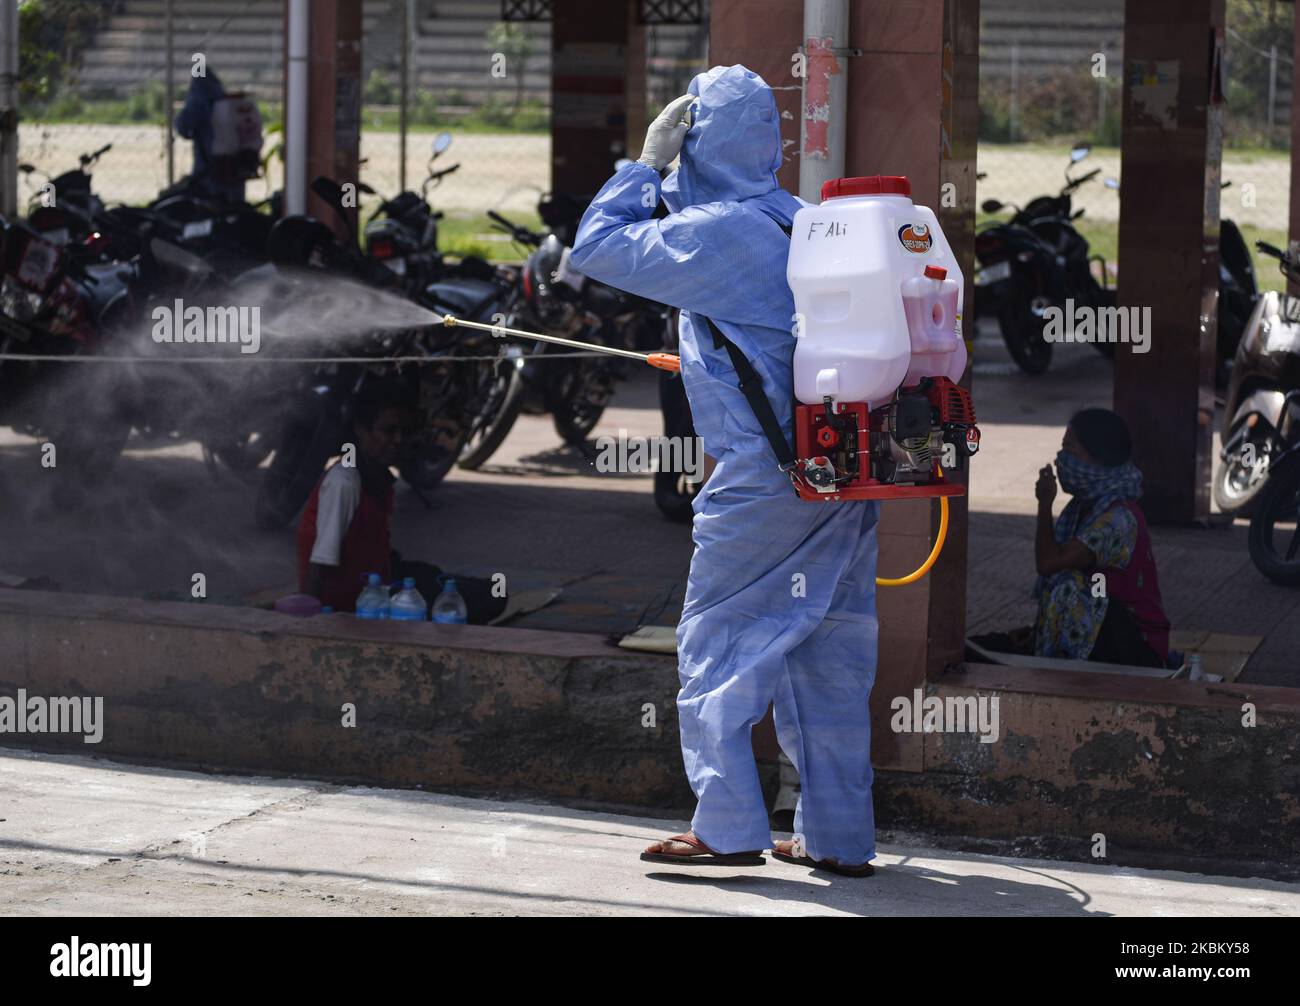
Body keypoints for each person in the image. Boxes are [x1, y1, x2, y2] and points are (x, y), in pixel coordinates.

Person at [570, 65, 878, 877]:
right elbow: (775, 336)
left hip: (767, 482)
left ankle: (730, 827)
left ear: (698, 142)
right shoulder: (800, 219)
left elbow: (596, 248)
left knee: (716, 646)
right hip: (844, 471)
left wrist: (641, 165)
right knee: (828, 658)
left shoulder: (722, 233)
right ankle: (836, 837)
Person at [297, 381, 508, 623]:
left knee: (438, 577)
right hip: (361, 603)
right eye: (388, 431)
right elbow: (319, 563)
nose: (398, 440)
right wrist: (310, 624)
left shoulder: (377, 477)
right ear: (361, 431)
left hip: (379, 582)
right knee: (485, 599)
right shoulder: (344, 481)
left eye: (404, 432)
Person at [974, 408, 1171, 667]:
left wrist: (1044, 504)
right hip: (1103, 638)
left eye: (1070, 450)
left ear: (1100, 457)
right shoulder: (1084, 506)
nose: (1061, 460)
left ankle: (1056, 664)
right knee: (979, 649)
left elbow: (1049, 563)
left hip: (1133, 647)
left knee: (1071, 584)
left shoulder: (1119, 519)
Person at [174, 69, 247, 205]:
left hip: (209, 173)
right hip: (234, 172)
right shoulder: (229, 104)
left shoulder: (199, 99)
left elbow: (183, 126)